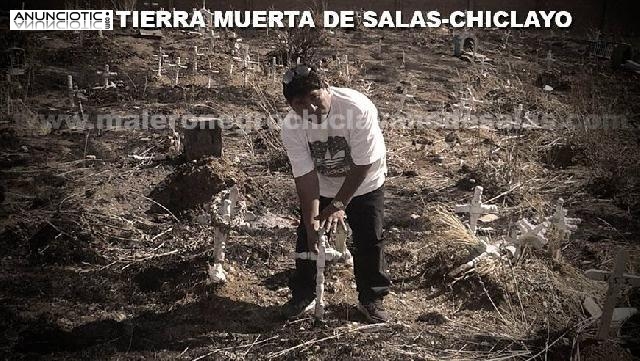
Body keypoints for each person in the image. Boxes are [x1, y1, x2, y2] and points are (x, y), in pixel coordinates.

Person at [279, 64, 391, 323]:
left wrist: (340, 203)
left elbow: (363, 163)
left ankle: (371, 298)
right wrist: (311, 224)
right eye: (300, 104)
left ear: (327, 88)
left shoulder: (355, 108)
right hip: (324, 181)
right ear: (291, 106)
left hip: (364, 181)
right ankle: (303, 295)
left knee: (369, 237)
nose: (311, 109)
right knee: (307, 236)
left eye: (315, 98)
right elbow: (305, 177)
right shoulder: (291, 127)